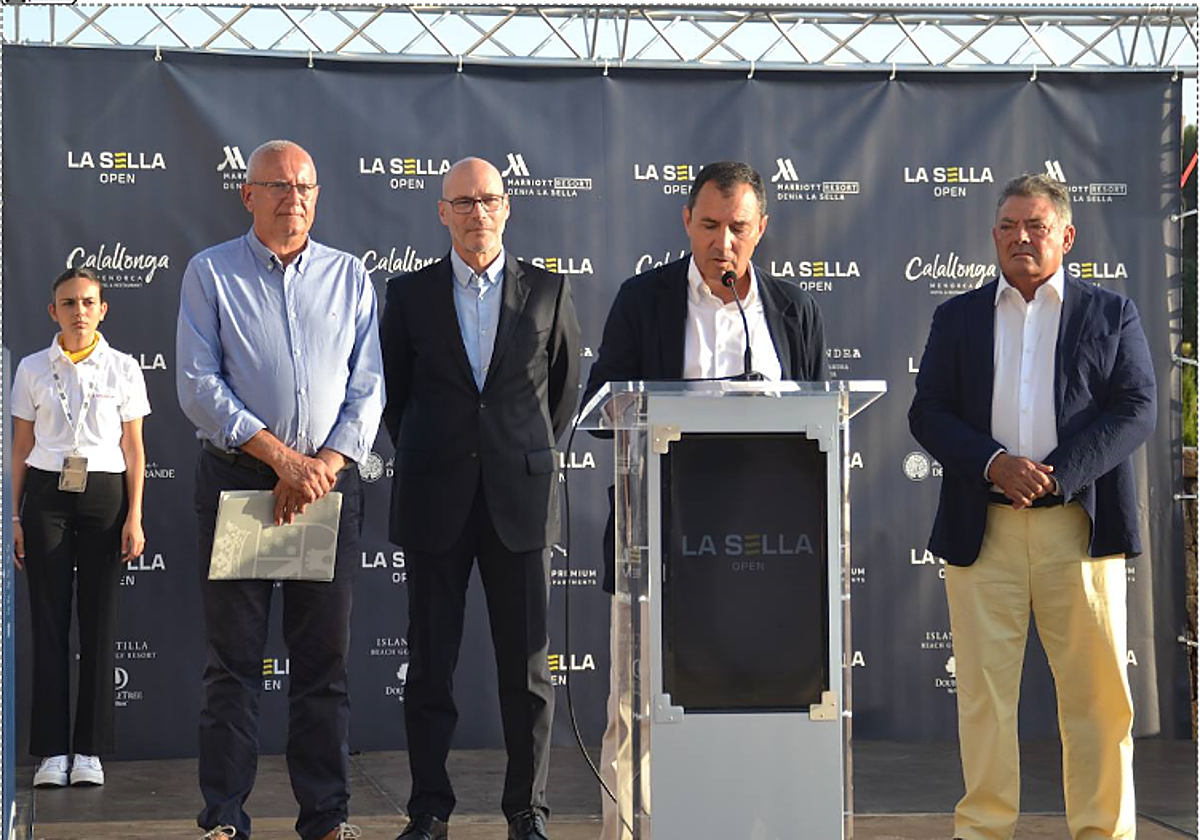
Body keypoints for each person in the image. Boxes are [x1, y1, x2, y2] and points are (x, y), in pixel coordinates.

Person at [582, 160, 826, 840]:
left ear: (762, 230)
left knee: (757, 707)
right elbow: (601, 408)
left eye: (738, 228)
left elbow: (823, 422)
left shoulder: (791, 311)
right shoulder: (644, 299)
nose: (724, 243)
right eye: (710, 225)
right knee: (636, 710)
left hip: (770, 549)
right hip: (659, 536)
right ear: (686, 221)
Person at [908, 173, 1156, 840]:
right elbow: (926, 411)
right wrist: (994, 463)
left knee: (1099, 703)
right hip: (981, 531)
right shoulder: (956, 317)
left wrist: (1054, 476)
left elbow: (1138, 409)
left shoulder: (1111, 314)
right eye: (1011, 226)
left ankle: (1103, 832)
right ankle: (984, 831)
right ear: (994, 236)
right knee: (985, 700)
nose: (1022, 237)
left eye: (1037, 226)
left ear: (1066, 237)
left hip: (1078, 531)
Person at [176, 139, 383, 840]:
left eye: (305, 187)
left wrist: (320, 464)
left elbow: (368, 386)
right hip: (241, 482)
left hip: (328, 487)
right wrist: (280, 460)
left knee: (323, 666)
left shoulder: (350, 276)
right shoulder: (210, 273)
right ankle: (225, 818)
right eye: (279, 186)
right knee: (232, 666)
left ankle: (326, 817)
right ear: (248, 194)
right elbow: (199, 384)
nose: (294, 198)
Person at [381, 157, 580, 840]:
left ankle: (527, 810)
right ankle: (430, 809)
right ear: (442, 211)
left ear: (507, 207)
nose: (475, 213)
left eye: (487, 199)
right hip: (435, 498)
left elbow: (561, 398)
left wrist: (514, 457)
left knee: (526, 675)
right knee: (430, 669)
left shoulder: (550, 291)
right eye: (461, 202)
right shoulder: (407, 296)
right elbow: (396, 401)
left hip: (518, 504)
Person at [10, 266, 149, 788]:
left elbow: (134, 449)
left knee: (99, 622)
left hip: (106, 497)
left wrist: (134, 514)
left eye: (88, 302)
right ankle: (51, 752)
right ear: (53, 311)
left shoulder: (124, 368)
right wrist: (14, 515)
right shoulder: (31, 369)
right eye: (68, 303)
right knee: (47, 623)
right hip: (46, 496)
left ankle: (89, 750)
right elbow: (20, 450)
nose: (79, 312)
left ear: (102, 309)